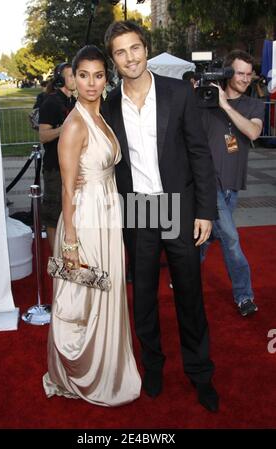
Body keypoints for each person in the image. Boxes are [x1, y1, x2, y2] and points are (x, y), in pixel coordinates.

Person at [78, 21, 219, 412]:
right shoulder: (108, 106)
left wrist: (205, 210)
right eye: (121, 52)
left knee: (189, 294)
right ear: (114, 59)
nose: (130, 57)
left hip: (176, 204)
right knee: (143, 298)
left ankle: (201, 372)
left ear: (146, 48)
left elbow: (200, 154)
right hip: (138, 208)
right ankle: (152, 365)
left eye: (135, 48)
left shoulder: (177, 92)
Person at [43, 45, 141, 407]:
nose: (90, 83)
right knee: (83, 294)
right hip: (84, 223)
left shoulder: (102, 116)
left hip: (108, 212)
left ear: (106, 77)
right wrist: (69, 244)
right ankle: (80, 373)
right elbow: (68, 188)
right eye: (83, 75)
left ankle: (108, 368)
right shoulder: (73, 124)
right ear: (73, 78)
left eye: (98, 75)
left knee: (105, 291)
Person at [201, 49, 265, 317]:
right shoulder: (204, 100)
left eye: (249, 74)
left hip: (232, 183)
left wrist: (225, 105)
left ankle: (185, 273)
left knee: (207, 237)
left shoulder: (253, 105)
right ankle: (244, 296)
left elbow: (252, 132)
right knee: (230, 237)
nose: (245, 78)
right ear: (228, 73)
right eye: (240, 73)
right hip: (208, 181)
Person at [39, 63, 76, 251]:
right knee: (54, 214)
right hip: (55, 168)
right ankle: (55, 257)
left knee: (69, 212)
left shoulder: (72, 102)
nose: (76, 79)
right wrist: (64, 129)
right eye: (71, 76)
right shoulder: (51, 102)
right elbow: (43, 136)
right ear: (61, 80)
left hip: (71, 166)